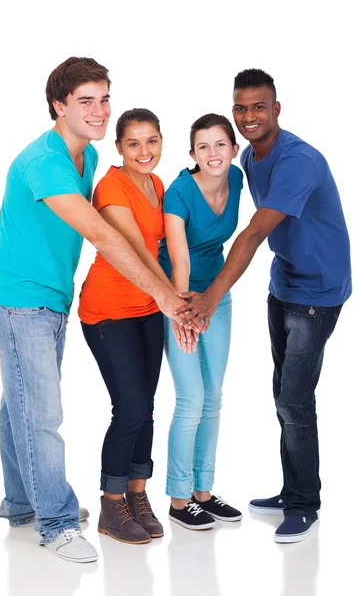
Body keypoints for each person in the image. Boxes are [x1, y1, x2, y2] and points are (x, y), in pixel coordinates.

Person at [0, 58, 188, 563]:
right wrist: (164, 295)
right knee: (41, 412)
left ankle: (20, 504)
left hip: (53, 297)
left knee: (21, 405)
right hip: (19, 300)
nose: (99, 112)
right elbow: (101, 234)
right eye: (85, 101)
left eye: (103, 99)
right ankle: (54, 522)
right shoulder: (44, 162)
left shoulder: (88, 158)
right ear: (59, 106)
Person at [174, 69, 352, 543]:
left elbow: (253, 233)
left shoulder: (299, 161)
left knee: (295, 399)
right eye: (241, 108)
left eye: (259, 107)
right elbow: (201, 181)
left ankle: (304, 504)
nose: (249, 116)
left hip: (319, 291)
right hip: (285, 284)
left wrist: (209, 297)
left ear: (276, 109)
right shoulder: (248, 157)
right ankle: (292, 488)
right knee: (283, 395)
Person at [79, 108, 180, 544]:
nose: (144, 151)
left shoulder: (157, 185)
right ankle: (111, 503)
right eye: (133, 143)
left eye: (152, 141)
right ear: (118, 147)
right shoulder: (110, 186)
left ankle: (138, 495)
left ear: (161, 142)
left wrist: (168, 300)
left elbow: (164, 247)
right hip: (108, 311)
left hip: (148, 308)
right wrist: (174, 302)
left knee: (148, 407)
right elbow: (138, 249)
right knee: (131, 408)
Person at [158, 114, 243, 530]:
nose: (213, 154)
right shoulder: (178, 193)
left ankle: (203, 493)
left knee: (213, 397)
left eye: (220, 145)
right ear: (192, 154)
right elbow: (180, 258)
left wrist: (209, 302)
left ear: (233, 149)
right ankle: (178, 499)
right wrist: (183, 314)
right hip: (178, 295)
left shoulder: (238, 180)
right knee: (190, 398)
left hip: (217, 295)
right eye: (203, 147)